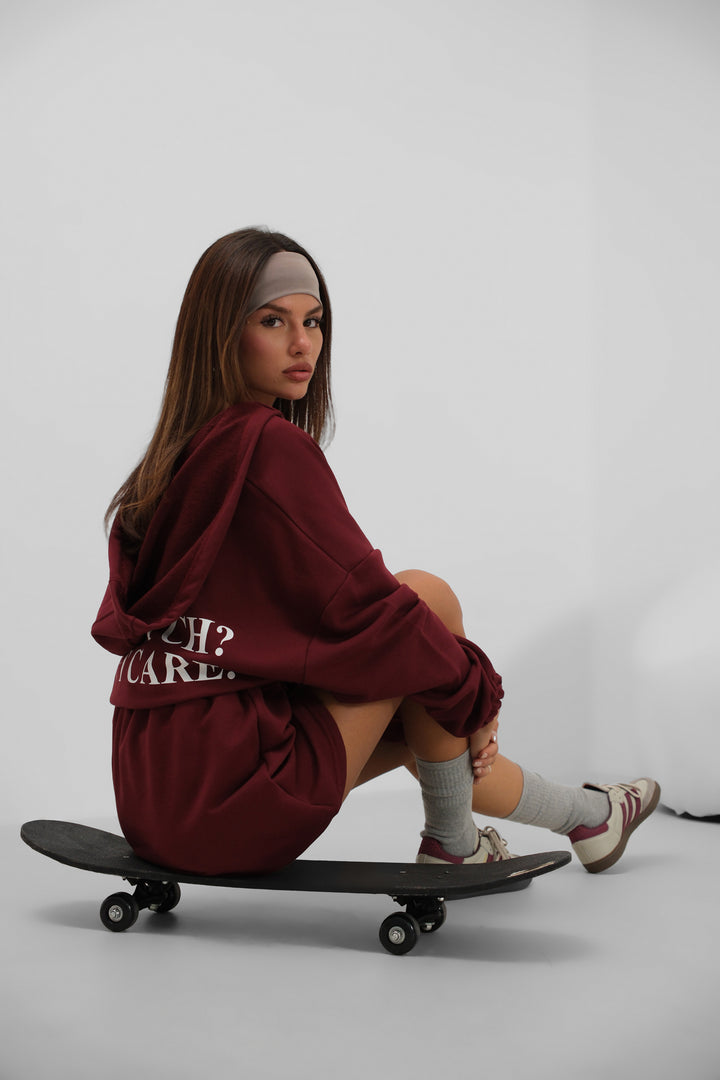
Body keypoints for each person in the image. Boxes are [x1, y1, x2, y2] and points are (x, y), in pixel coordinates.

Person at [92, 227, 659, 878]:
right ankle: (458, 842)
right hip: (234, 804)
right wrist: (479, 698)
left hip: (150, 798)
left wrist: (453, 695)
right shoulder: (266, 446)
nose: (303, 344)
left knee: (426, 700)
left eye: (313, 321)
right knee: (426, 606)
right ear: (221, 334)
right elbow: (377, 612)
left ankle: (585, 816)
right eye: (273, 321)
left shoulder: (170, 460)